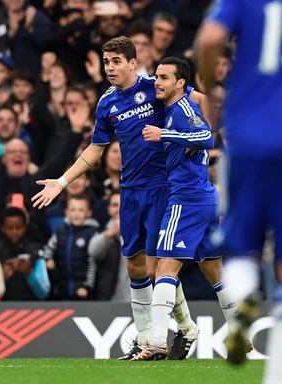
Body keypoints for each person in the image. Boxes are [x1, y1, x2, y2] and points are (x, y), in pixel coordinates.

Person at [32, 36, 208, 360]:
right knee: (135, 266)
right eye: (106, 62)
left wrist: (208, 128)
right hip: (130, 191)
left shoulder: (155, 87)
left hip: (163, 187)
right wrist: (61, 180)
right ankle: (146, 340)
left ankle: (180, 330)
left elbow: (197, 100)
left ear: (132, 62)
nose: (110, 68)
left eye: (116, 61)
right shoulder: (106, 103)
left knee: (158, 268)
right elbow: (96, 150)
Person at [196, 1, 282, 381]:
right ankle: (275, 376)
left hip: (248, 136)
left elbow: (209, 38)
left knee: (241, 246)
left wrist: (212, 89)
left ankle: (242, 304)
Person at [131, 57, 238, 360]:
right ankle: (245, 344)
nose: (157, 83)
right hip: (203, 198)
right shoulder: (179, 106)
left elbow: (205, 137)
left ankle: (156, 341)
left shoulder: (181, 110)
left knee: (165, 267)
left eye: (164, 78)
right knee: (215, 272)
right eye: (156, 77)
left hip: (187, 200)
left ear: (180, 84)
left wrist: (163, 134)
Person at [41, 193, 99, 300]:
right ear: (66, 212)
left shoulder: (92, 233)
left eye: (81, 210)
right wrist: (48, 259)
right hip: (62, 290)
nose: (76, 214)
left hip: (83, 292)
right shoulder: (60, 231)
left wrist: (87, 287)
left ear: (88, 213)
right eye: (73, 210)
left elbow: (93, 263)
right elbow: (48, 248)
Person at [0, 206, 45, 301]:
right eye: (10, 228)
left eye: (18, 228)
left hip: (31, 306)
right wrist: (1, 277)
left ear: (25, 228)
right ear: (2, 228)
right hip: (2, 306)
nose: (14, 232)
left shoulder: (35, 250)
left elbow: (44, 293)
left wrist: (30, 274)